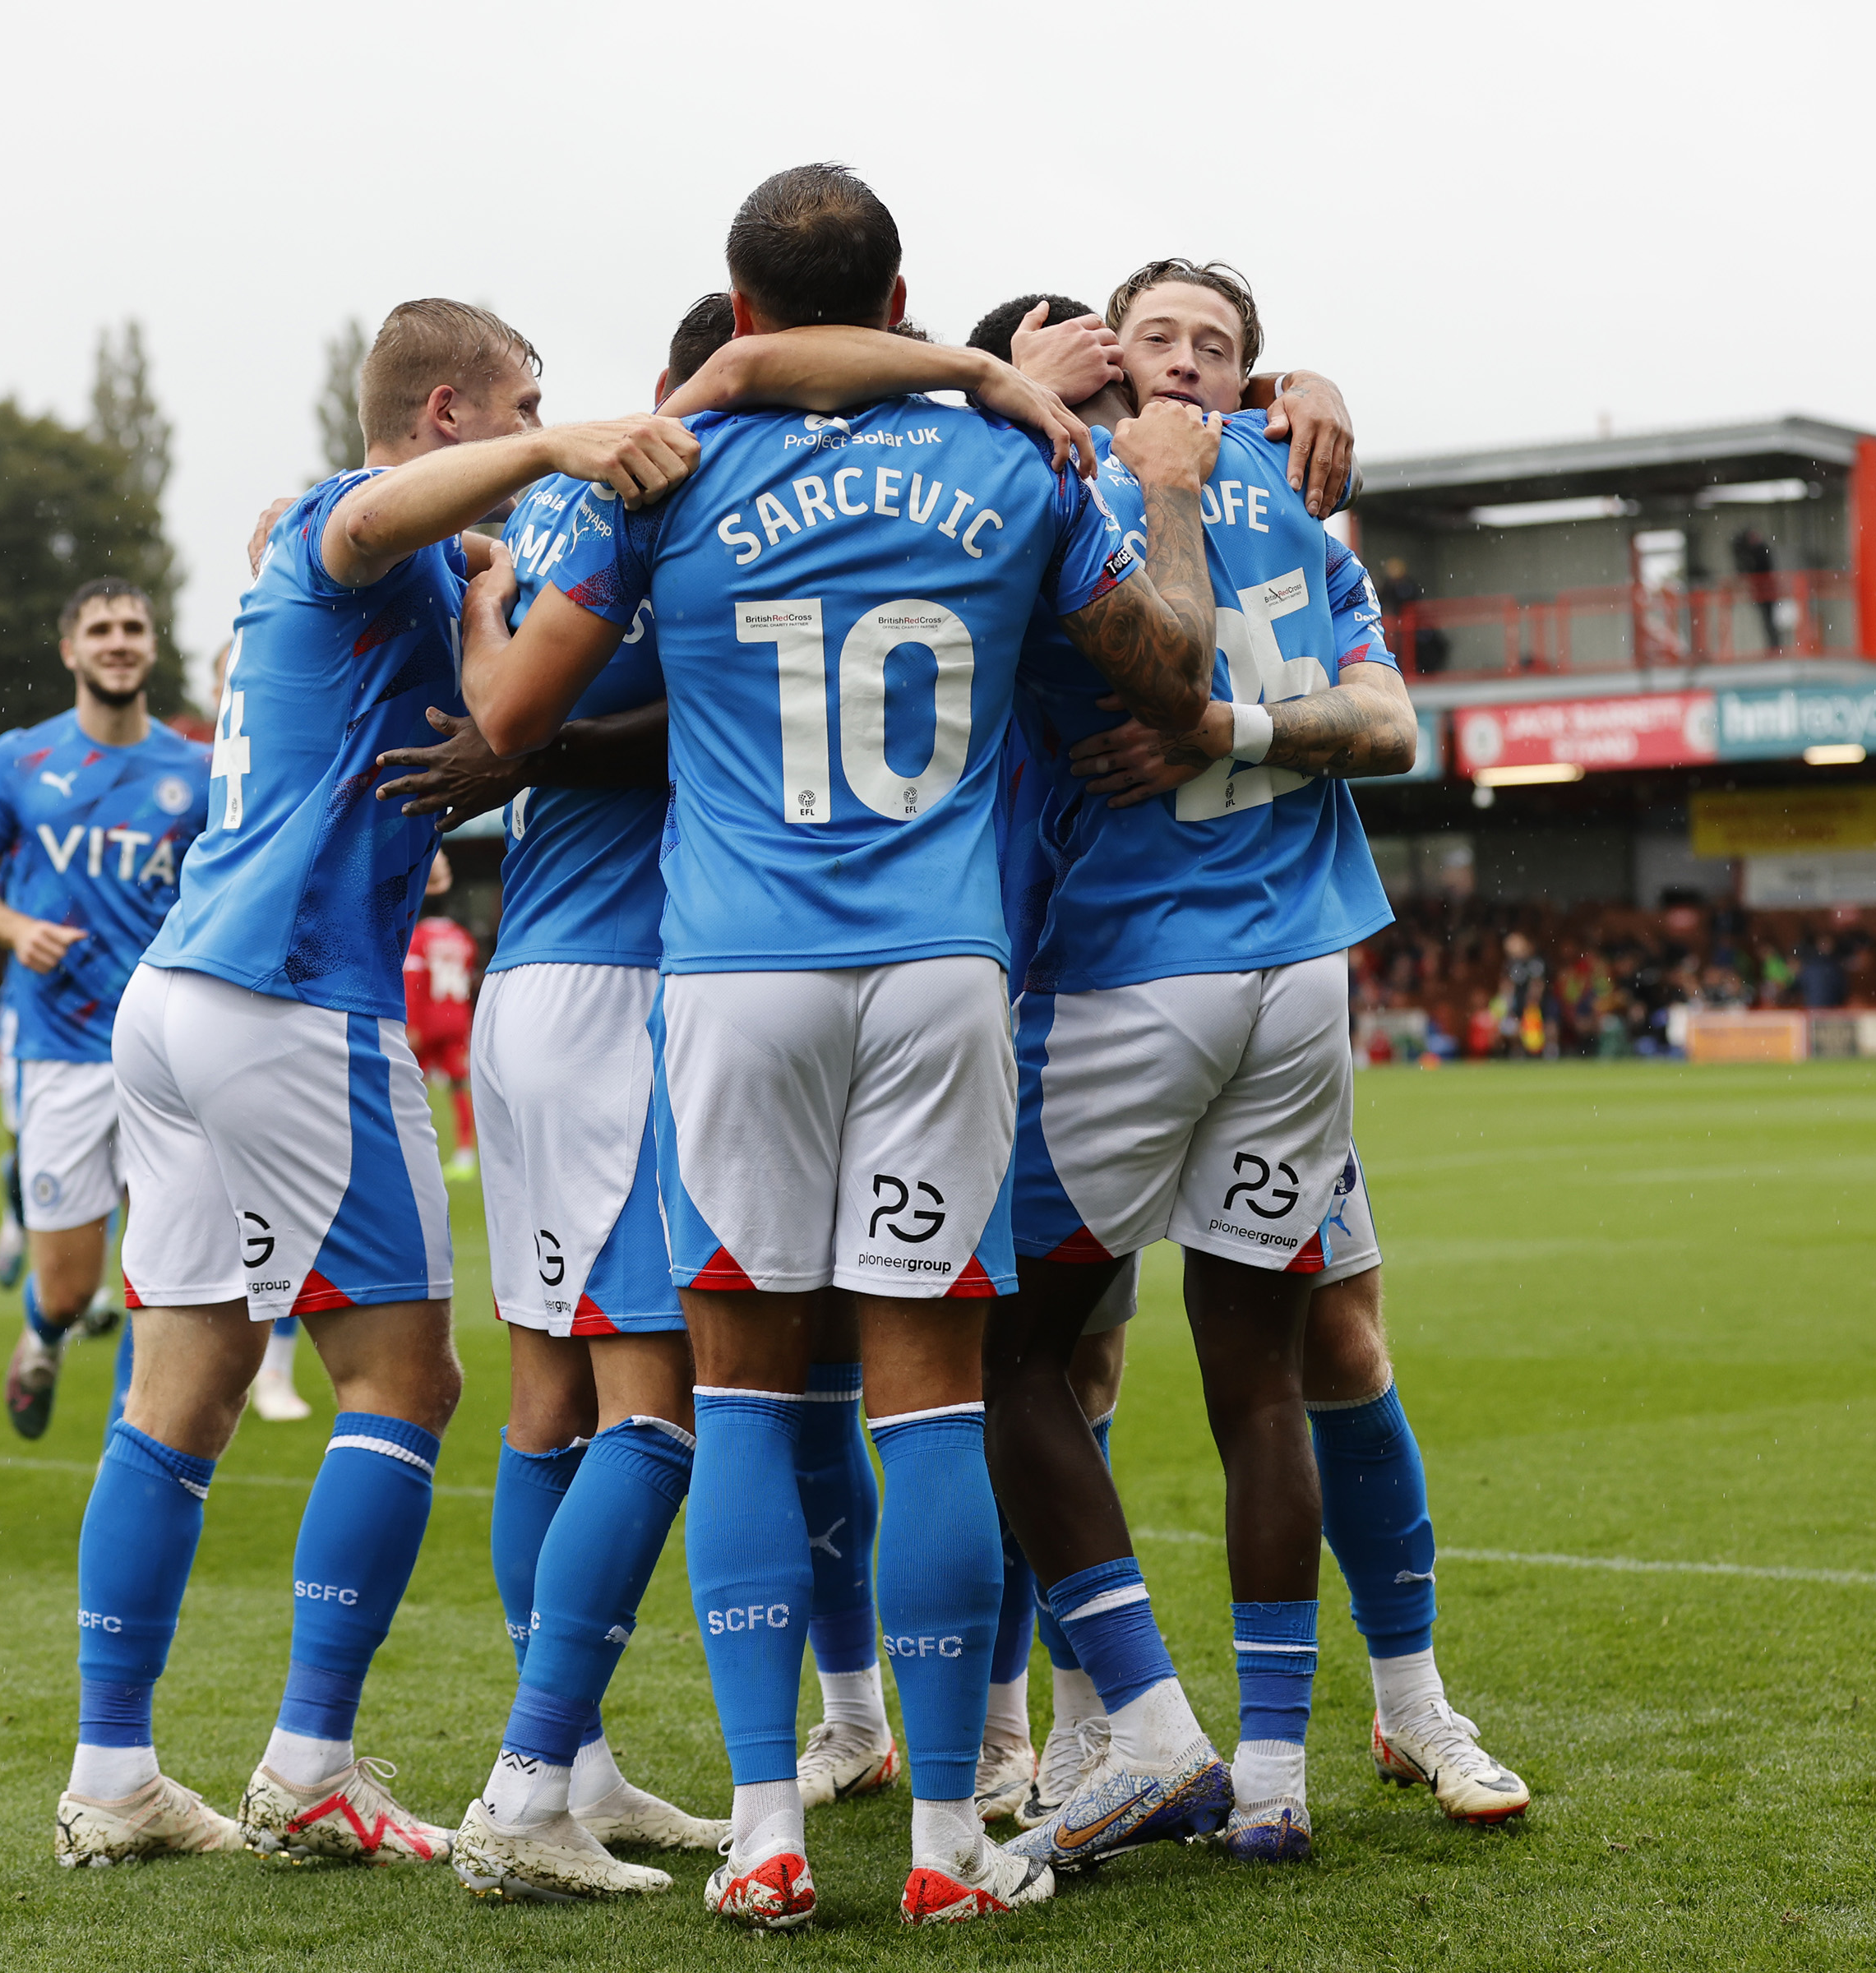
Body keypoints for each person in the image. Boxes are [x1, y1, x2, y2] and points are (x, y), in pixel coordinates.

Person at [461, 164, 1210, 1929]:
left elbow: (507, 719)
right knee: (931, 1404)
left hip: (735, 976)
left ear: (734, 311)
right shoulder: (1014, 461)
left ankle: (768, 1830)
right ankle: (948, 1845)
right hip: (943, 969)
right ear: (898, 301)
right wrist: (989, 383)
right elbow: (1165, 680)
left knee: (734, 1401)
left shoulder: (666, 460)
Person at [390, 293, 1041, 1905]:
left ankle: (582, 1756)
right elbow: (723, 709)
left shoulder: (542, 519)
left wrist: (503, 717)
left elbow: (509, 712)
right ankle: (535, 1777)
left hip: (526, 984)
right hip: (633, 985)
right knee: (672, 1412)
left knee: (550, 1406)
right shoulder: (694, 495)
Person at [52, 296, 699, 1871]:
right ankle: (311, 1762)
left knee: (180, 1393)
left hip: (185, 999)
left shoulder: (398, 555)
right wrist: (551, 451)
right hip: (290, 1006)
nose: (552, 421)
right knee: (405, 1385)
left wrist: (487, 565)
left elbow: (487, 711)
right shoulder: (349, 524)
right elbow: (368, 508)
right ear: (447, 412)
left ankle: (116, 1774)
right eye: (523, 400)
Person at [959, 262, 1416, 1871]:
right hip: (1299, 975)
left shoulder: (1080, 494)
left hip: (1135, 982)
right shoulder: (1295, 512)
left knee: (1001, 1356)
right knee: (1257, 1373)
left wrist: (1041, 407)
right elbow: (1382, 721)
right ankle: (1275, 1778)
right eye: (1155, 337)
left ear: (1242, 376)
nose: (1181, 365)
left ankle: (1152, 1731)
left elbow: (1183, 659)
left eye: (1215, 347)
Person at [0, 579, 207, 1441]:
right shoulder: (20, 761)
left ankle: (134, 1439)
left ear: (153, 647)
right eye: (100, 629)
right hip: (57, 1049)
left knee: (156, 1271)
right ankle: (43, 1334)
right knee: (67, 1285)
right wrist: (15, 928)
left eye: (133, 627)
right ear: (71, 650)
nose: (118, 641)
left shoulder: (196, 773)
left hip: (162, 1052)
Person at [401, 854, 483, 1181]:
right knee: (459, 1086)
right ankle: (465, 1153)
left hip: (428, 1020)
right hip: (457, 1017)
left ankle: (410, 1148)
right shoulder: (463, 937)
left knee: (406, 1085)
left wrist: (413, 1025)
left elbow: (413, 983)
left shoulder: (418, 937)